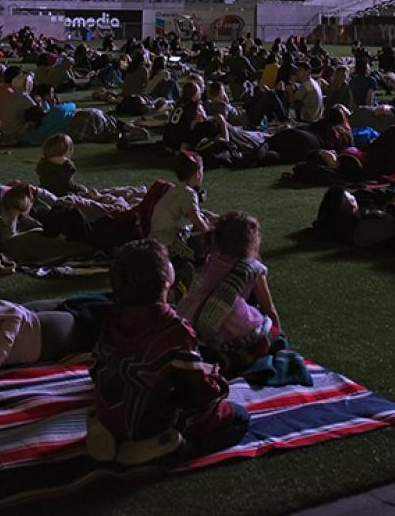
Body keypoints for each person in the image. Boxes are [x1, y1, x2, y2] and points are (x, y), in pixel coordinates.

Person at [87, 239, 250, 466]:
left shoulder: (112, 315)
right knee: (238, 417)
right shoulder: (173, 328)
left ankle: (105, 427)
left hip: (111, 411)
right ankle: (162, 446)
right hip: (147, 421)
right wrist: (216, 382)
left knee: (169, 371)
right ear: (165, 281)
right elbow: (201, 392)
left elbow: (96, 368)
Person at [176, 212, 283, 376]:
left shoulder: (212, 259)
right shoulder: (253, 268)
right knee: (269, 334)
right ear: (252, 242)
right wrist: (278, 335)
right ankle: (239, 357)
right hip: (233, 319)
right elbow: (269, 308)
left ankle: (215, 353)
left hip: (198, 310)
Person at [149, 154, 212, 294]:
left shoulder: (176, 190)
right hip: (167, 240)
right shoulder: (188, 193)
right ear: (197, 173)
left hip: (156, 237)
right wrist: (212, 237)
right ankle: (180, 269)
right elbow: (198, 222)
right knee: (205, 244)